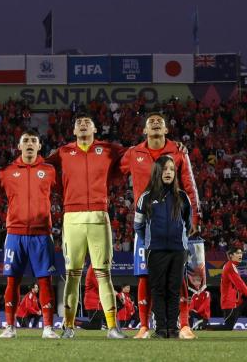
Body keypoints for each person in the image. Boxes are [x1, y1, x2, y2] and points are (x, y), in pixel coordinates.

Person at [119, 112, 201, 339]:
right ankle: (144, 326)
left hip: (174, 224)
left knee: (178, 277)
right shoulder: (133, 153)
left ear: (166, 129)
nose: (155, 123)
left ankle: (183, 325)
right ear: (144, 130)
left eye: (160, 122)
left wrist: (195, 217)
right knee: (145, 276)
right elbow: (112, 170)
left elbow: (189, 185)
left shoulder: (178, 151)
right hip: (147, 226)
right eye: (150, 122)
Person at [46, 113, 128, 339]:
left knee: (103, 274)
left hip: (99, 217)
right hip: (72, 217)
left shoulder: (108, 149)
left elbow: (134, 154)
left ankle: (112, 328)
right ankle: (68, 327)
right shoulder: (63, 152)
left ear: (94, 129)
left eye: (87, 123)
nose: (82, 125)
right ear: (73, 131)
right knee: (72, 275)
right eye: (79, 123)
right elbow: (40, 168)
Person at [0, 130, 60, 339]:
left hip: (41, 234)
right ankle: (10, 326)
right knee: (12, 281)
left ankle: (48, 327)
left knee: (45, 281)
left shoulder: (49, 170)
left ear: (39, 147)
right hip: (15, 234)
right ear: (19, 147)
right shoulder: (7, 172)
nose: (29, 144)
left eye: (33, 141)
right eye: (25, 141)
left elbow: (67, 190)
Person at [134, 156, 193, 339]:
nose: (168, 172)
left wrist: (180, 242)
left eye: (171, 169)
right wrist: (149, 242)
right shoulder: (146, 197)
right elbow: (138, 225)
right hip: (156, 251)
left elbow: (188, 224)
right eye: (164, 169)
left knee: (173, 290)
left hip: (177, 251)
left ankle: (173, 330)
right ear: (157, 172)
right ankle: (160, 330)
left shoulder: (182, 197)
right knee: (158, 290)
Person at [211, 247, 247, 330]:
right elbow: (240, 284)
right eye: (237, 253)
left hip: (233, 301)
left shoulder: (230, 265)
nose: (240, 255)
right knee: (228, 327)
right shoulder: (230, 266)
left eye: (241, 253)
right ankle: (204, 326)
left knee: (229, 326)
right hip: (229, 301)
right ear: (231, 255)